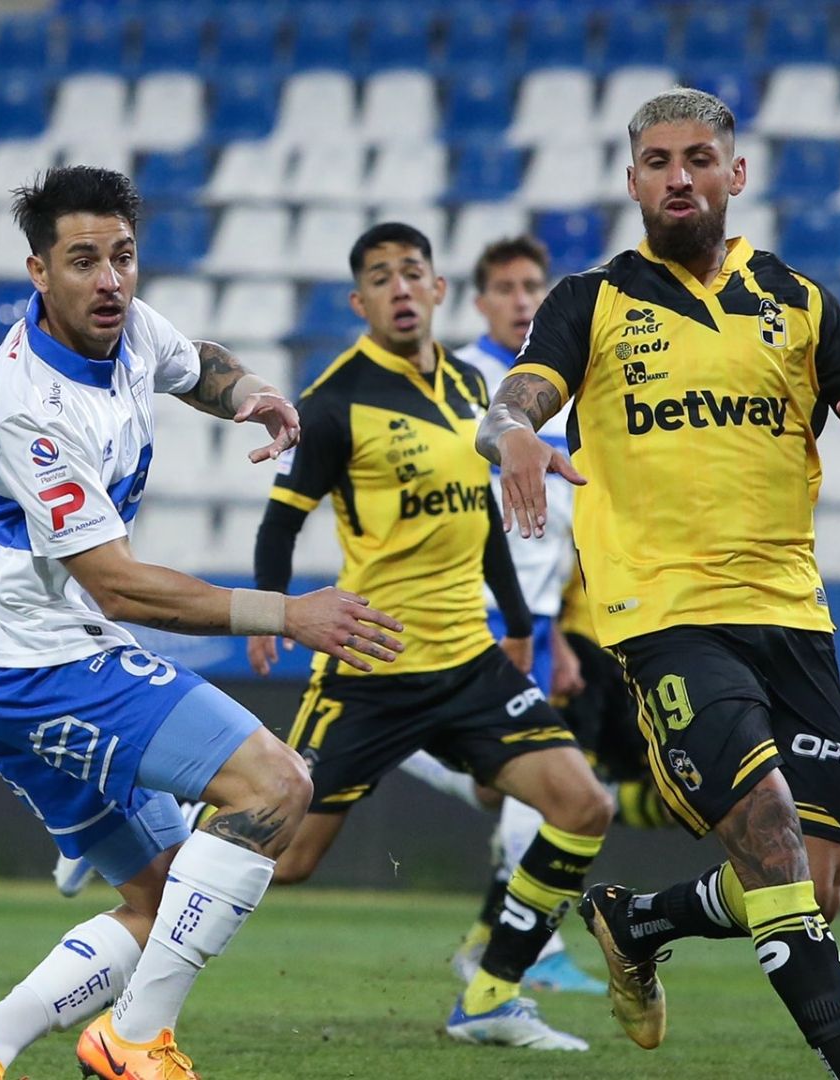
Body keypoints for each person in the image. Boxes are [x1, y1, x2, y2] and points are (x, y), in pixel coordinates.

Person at [0, 166, 403, 1080]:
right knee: (276, 787)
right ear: (37, 273)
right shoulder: (30, 408)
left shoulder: (127, 327)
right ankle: (133, 1041)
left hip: (7, 668)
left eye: (122, 257)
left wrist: (249, 390)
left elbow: (194, 362)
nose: (109, 279)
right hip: (46, 669)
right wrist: (287, 613)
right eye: (83, 260)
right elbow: (118, 589)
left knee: (171, 896)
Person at [479, 88, 840, 1080]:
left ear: (735, 174)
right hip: (663, 617)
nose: (676, 176)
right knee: (764, 823)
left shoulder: (805, 305)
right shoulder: (589, 302)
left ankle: (635, 920)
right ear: (632, 179)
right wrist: (511, 429)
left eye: (696, 158)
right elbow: (516, 396)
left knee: (814, 883)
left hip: (792, 614)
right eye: (655, 162)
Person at [246, 222, 615, 1051]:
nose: (401, 288)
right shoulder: (334, 398)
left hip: (470, 664)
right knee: (286, 857)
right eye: (381, 278)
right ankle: (140, 850)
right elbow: (282, 520)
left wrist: (519, 626)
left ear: (438, 288)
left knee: (581, 803)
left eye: (413, 273)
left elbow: (480, 514)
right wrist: (272, 606)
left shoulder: (467, 391)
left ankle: (489, 998)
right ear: (360, 302)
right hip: (372, 667)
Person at [391, 235, 602, 996]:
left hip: (537, 623)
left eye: (532, 288)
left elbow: (571, 519)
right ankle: (524, 951)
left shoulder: (561, 390)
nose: (521, 301)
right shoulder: (459, 381)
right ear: (476, 301)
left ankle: (494, 942)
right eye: (506, 288)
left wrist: (569, 630)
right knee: (542, 781)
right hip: (466, 610)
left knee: (507, 783)